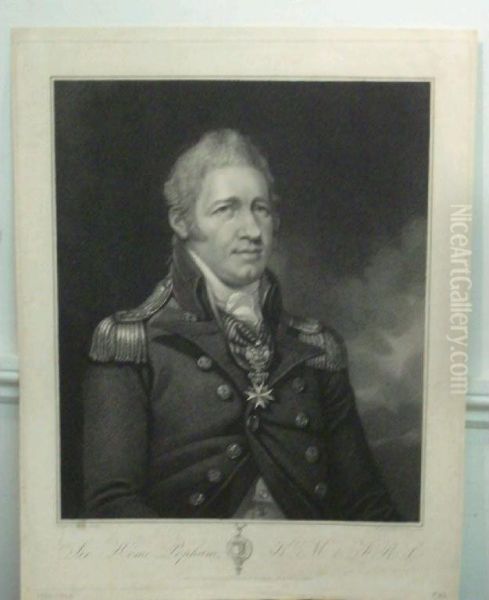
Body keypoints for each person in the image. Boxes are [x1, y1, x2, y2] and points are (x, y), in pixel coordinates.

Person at [83, 129, 400, 520]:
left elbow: (366, 504)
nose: (251, 231)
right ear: (182, 222)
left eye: (260, 209)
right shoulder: (132, 342)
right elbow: (112, 505)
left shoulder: (318, 348)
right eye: (226, 210)